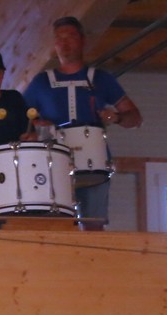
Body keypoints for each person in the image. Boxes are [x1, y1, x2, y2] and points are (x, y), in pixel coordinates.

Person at [24, 16, 143, 224]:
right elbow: (20, 119)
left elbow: (135, 118)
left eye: (70, 36)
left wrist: (116, 117)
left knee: (93, 225)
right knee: (55, 226)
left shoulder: (101, 79)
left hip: (95, 164)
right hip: (53, 165)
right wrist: (36, 126)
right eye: (59, 38)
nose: (64, 43)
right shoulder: (41, 82)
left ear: (82, 40)